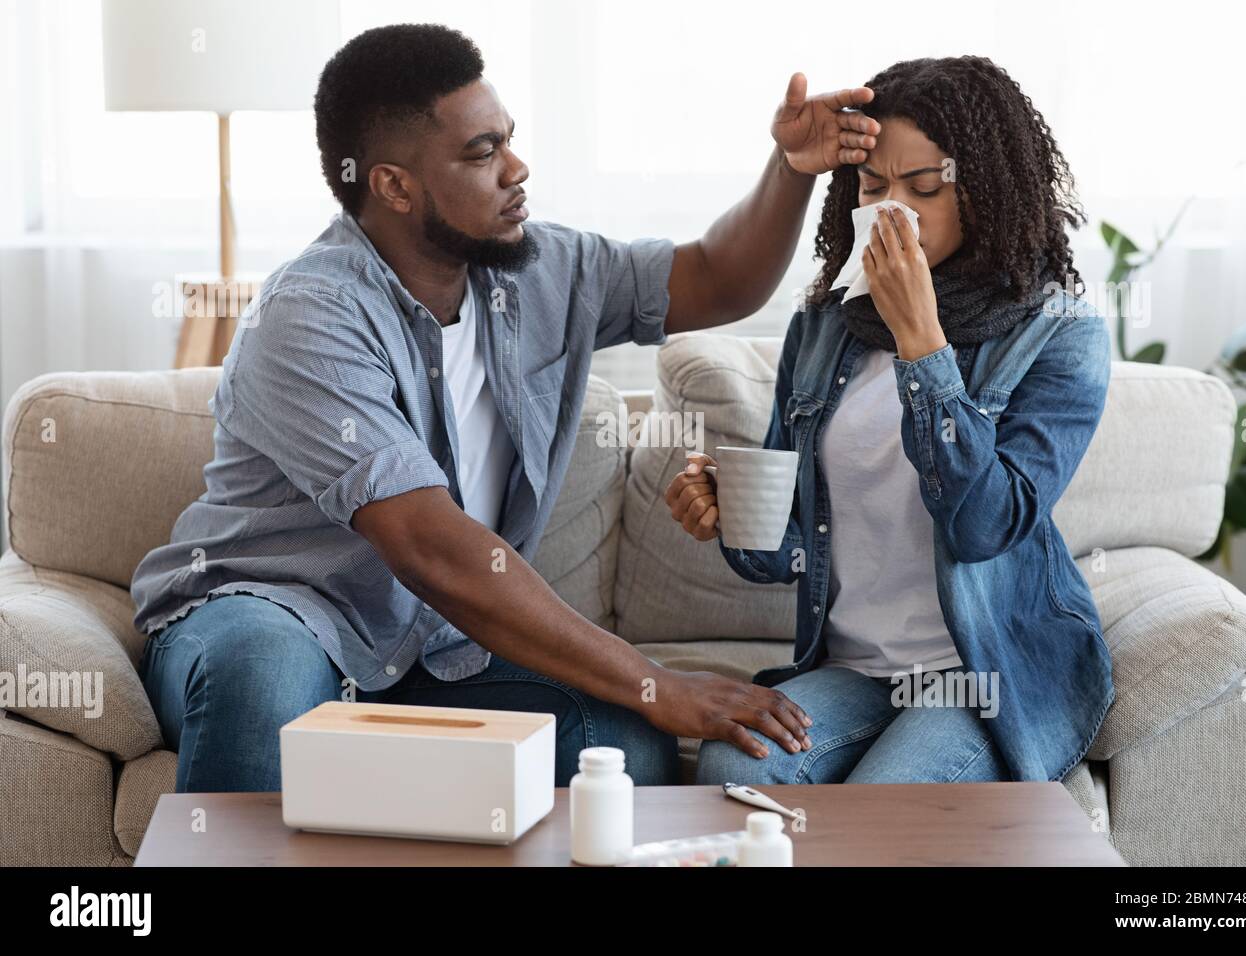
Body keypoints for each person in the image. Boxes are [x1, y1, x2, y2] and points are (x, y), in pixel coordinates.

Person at [130, 23, 883, 792]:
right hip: (274, 619)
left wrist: (792, 169)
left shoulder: (539, 270)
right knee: (266, 670)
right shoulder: (311, 314)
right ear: (393, 185)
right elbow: (429, 546)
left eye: (508, 140)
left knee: (615, 746)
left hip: (435, 651)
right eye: (481, 152)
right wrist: (657, 681)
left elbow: (720, 278)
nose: (516, 168)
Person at [665, 56, 1114, 786]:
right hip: (854, 668)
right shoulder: (824, 326)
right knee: (737, 764)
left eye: (924, 186)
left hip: (982, 677)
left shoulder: (1062, 336)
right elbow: (783, 556)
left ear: (991, 192)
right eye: (873, 188)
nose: (893, 210)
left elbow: (983, 528)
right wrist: (726, 511)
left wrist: (923, 346)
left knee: (887, 805)